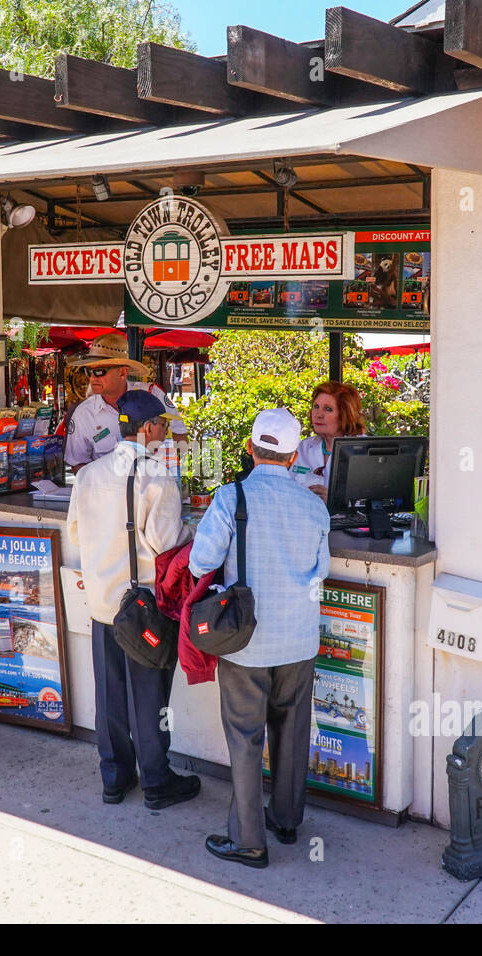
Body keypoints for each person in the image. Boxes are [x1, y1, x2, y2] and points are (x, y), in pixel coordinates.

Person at [189, 408, 331, 868]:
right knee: (292, 731)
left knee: (245, 738)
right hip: (299, 640)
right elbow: (321, 570)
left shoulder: (231, 498)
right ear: (293, 457)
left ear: (251, 450)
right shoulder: (314, 505)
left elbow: (199, 562)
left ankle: (249, 841)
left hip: (245, 641)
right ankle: (286, 822)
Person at [66, 389, 200, 809]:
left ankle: (114, 778)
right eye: (162, 424)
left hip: (104, 605)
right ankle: (157, 782)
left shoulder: (89, 474)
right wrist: (193, 532)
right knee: (150, 697)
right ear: (147, 428)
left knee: (109, 696)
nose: (166, 431)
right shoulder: (156, 475)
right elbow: (164, 544)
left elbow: (74, 533)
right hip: (144, 607)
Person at [63, 334, 186, 470]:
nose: (92, 379)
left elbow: (181, 438)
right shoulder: (84, 413)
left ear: (122, 372)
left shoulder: (152, 395)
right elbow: (78, 465)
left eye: (99, 372)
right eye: (89, 371)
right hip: (107, 489)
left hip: (155, 485)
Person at [291, 381, 367, 499]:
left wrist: (335, 501)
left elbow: (372, 501)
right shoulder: (304, 447)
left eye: (328, 409)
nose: (318, 414)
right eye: (316, 406)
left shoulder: (363, 450)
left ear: (345, 415)